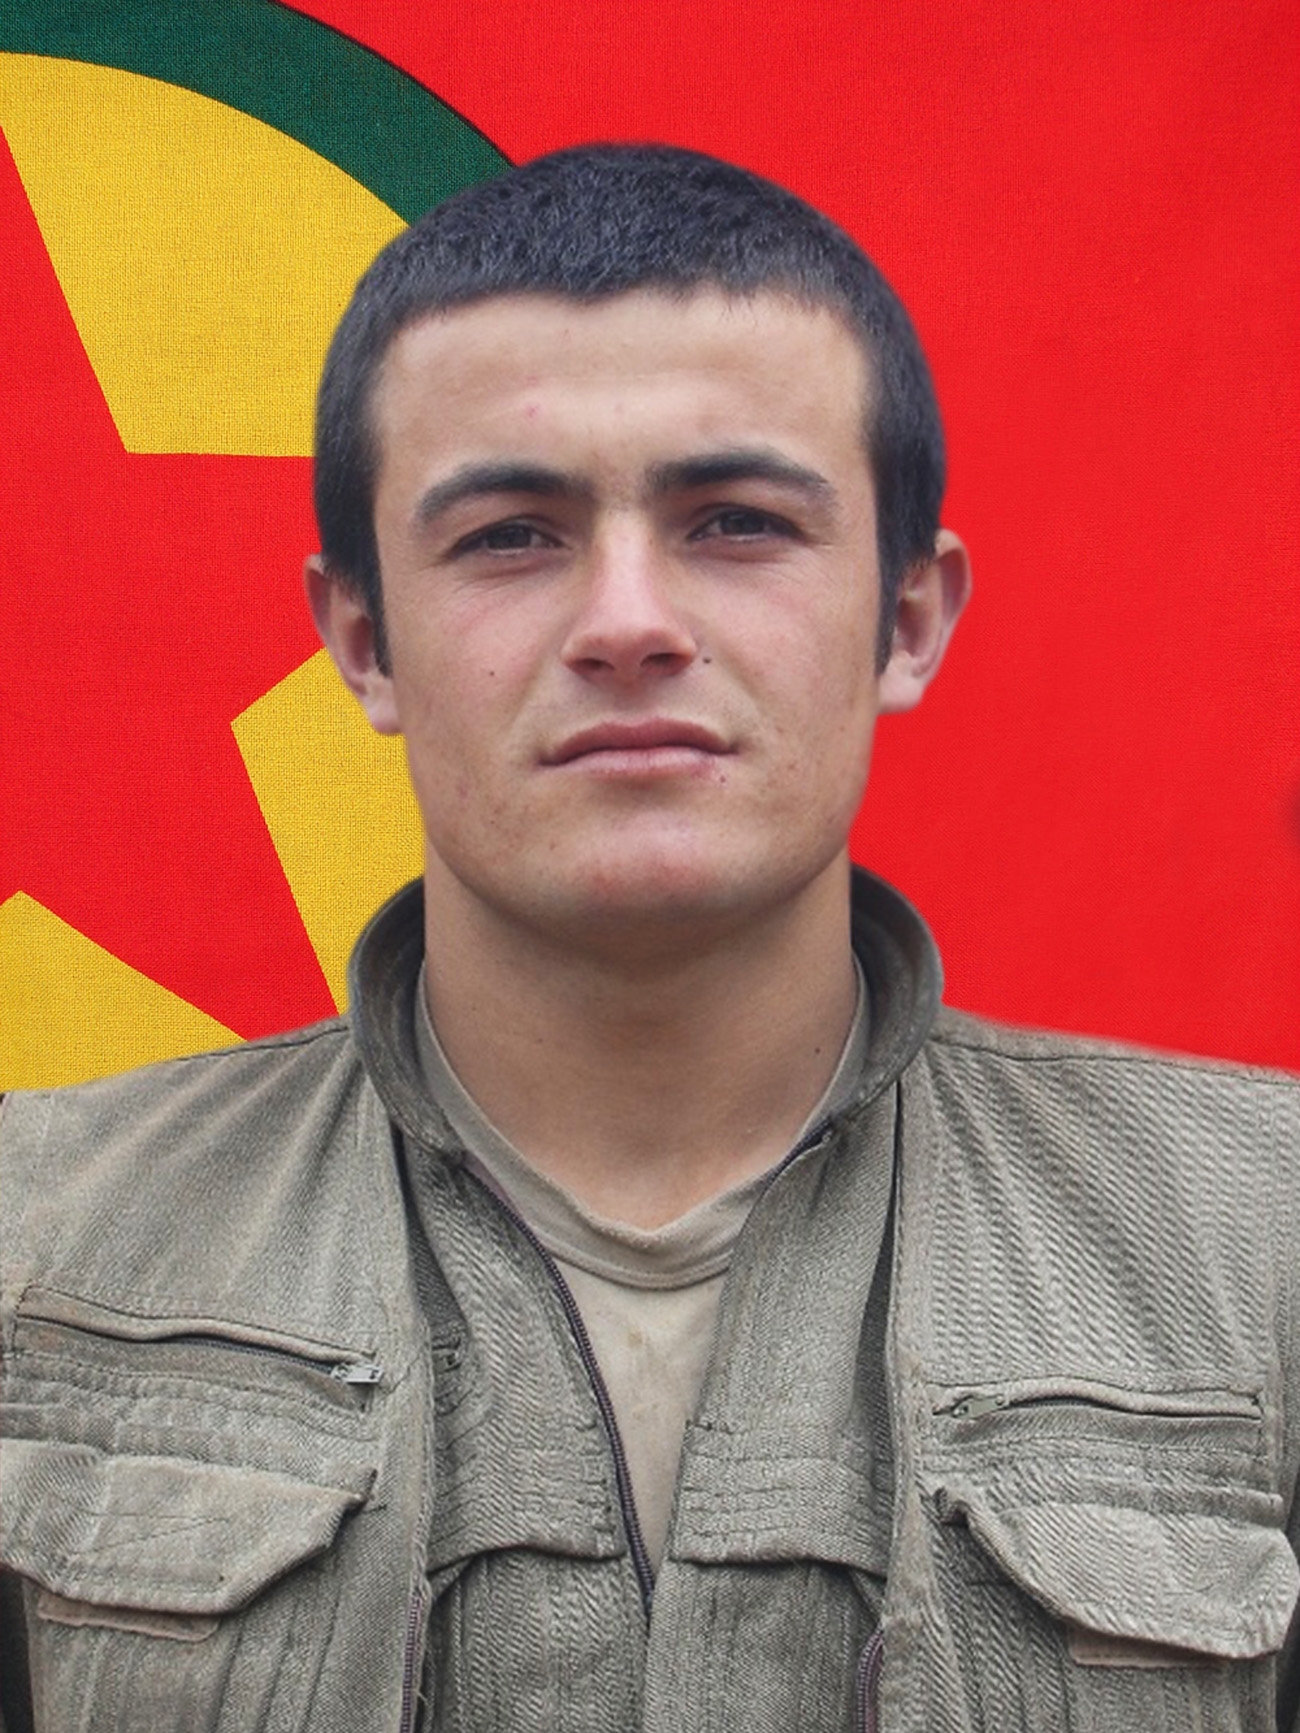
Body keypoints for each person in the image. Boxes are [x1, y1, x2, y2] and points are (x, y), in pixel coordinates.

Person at [1, 143, 1298, 1733]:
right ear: (365, 639)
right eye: (511, 534)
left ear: (907, 618)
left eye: (737, 520)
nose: (628, 621)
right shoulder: (37, 1250)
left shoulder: (1264, 1248)